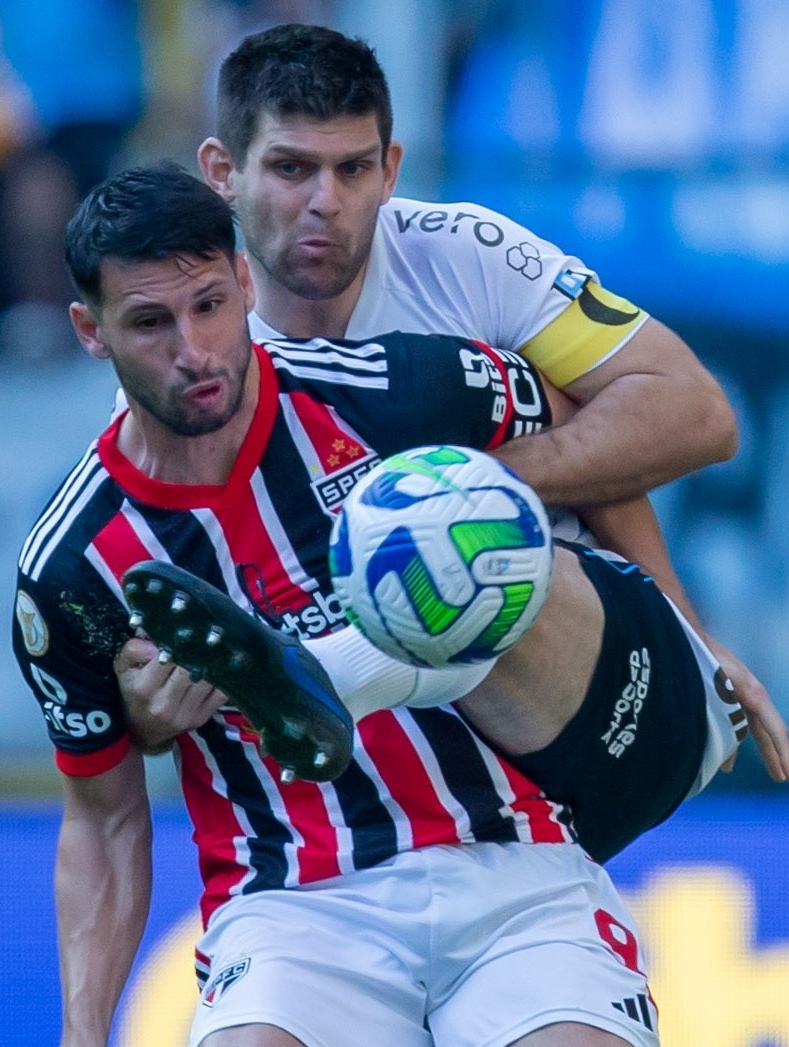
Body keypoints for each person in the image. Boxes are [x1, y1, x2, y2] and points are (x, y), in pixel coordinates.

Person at [11, 161, 674, 1047]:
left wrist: (678, 621)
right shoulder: (72, 567)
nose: (194, 350)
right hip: (294, 906)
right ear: (90, 331)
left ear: (246, 283)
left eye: (208, 305)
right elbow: (104, 817)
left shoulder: (393, 389)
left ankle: (330, 672)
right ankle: (321, 675)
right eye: (151, 324)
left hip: (511, 861)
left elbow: (604, 439)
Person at [185, 21, 786, 767]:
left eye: (353, 170)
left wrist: (469, 487)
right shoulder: (191, 358)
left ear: (392, 168)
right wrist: (148, 711)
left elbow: (696, 413)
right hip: (360, 781)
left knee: (433, 528)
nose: (325, 202)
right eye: (290, 168)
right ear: (221, 171)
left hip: (563, 706)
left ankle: (337, 673)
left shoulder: (462, 253)